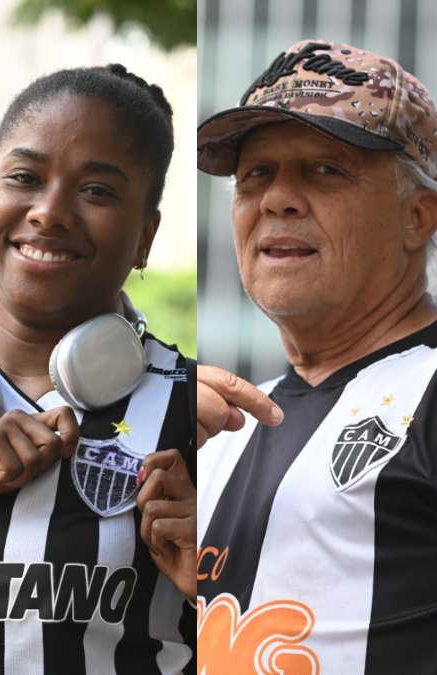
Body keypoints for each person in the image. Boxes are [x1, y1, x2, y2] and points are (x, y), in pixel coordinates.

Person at [195, 39, 437, 672]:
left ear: (419, 217)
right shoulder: (226, 423)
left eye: (325, 170)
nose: (278, 198)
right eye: (256, 175)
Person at [0, 65, 196, 674]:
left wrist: (221, 576)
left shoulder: (201, 413)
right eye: (24, 178)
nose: (50, 211)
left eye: (96, 191)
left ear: (145, 236)